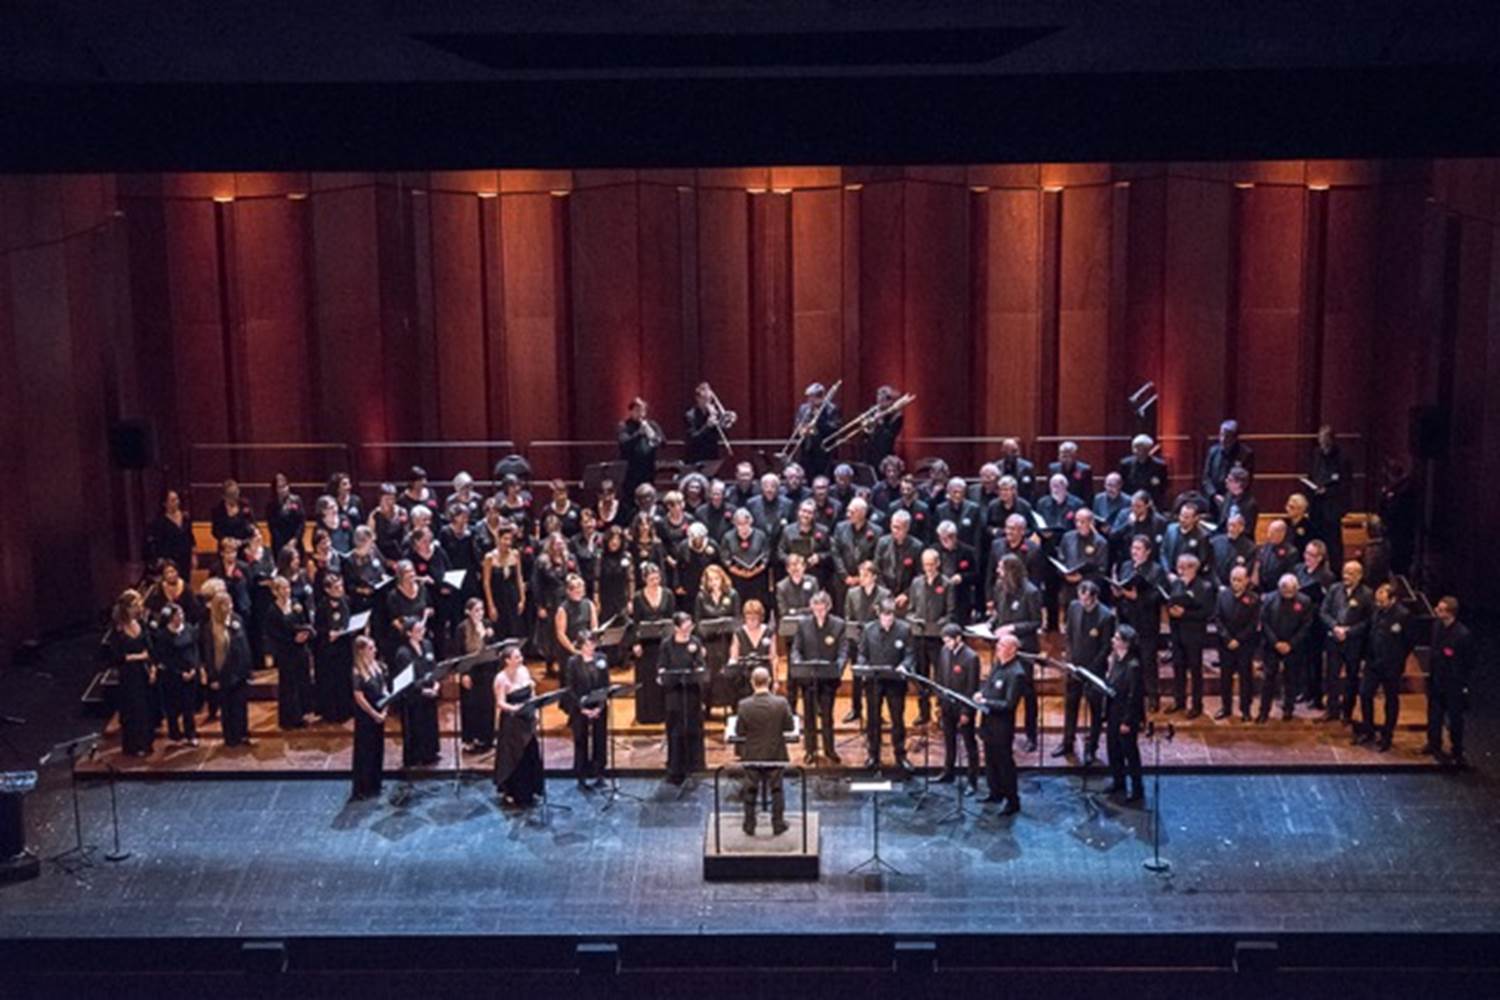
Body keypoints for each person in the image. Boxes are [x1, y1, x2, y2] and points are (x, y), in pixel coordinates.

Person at [1056, 580, 1115, 763]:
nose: (1083, 602)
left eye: (1087, 600)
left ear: (1095, 597)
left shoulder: (1106, 616)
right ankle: (1067, 742)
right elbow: (1069, 635)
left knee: (1095, 710)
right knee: (1070, 705)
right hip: (1075, 667)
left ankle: (1092, 747)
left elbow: (1106, 648)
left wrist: (1090, 669)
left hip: (1094, 670)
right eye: (1081, 598)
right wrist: (1070, 658)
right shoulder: (1074, 607)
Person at [734, 665, 796, 836]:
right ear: (769, 682)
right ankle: (777, 824)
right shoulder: (781, 703)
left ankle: (749, 824)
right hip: (775, 754)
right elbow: (789, 727)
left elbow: (740, 731)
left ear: (752, 682)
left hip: (752, 755)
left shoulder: (744, 705)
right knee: (777, 790)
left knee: (750, 789)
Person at [990, 553, 1043, 752]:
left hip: (1023, 648)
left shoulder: (1031, 592)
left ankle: (1031, 736)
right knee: (1001, 691)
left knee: (1027, 693)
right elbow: (999, 613)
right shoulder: (1000, 587)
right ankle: (1004, 733)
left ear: (1011, 570)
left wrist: (1012, 628)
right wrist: (991, 625)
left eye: (1001, 568)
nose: (998, 571)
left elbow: (1037, 622)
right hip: (1003, 648)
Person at [856, 597, 915, 773]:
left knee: (897, 719)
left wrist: (904, 666)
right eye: (885, 616)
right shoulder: (868, 629)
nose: (888, 620)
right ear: (878, 614)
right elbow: (862, 654)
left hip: (895, 682)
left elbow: (910, 654)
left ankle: (900, 755)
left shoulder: (904, 629)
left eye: (891, 616)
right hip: (874, 682)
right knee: (873, 720)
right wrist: (864, 666)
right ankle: (873, 755)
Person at [789, 589, 846, 766]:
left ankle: (829, 749)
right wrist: (798, 664)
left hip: (828, 679)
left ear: (828, 607)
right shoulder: (803, 624)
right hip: (809, 678)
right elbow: (796, 650)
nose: (819, 612)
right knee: (809, 716)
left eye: (822, 609)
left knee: (827, 716)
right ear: (811, 608)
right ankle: (810, 750)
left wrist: (838, 667)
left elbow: (843, 651)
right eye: (816, 608)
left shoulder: (838, 624)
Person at [1111, 534, 1166, 713]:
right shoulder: (1126, 566)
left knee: (1148, 661)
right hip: (1127, 620)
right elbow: (1121, 587)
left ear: (1148, 552)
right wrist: (1118, 594)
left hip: (1146, 622)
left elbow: (1157, 597)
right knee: (1126, 660)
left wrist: (1137, 597)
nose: (1134, 552)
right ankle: (1127, 695)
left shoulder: (1156, 570)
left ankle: (1152, 697)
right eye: (1133, 548)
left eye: (1138, 549)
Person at [1356, 583, 1412, 751]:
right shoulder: (1376, 612)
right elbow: (1370, 634)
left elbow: (1408, 642)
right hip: (1373, 663)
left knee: (1391, 700)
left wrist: (1396, 660)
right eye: (1377, 601)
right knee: (1365, 694)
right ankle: (1368, 730)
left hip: (1391, 666)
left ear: (1393, 599)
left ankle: (1387, 735)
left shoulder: (1403, 615)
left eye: (1382, 601)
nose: (1378, 604)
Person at [1320, 560, 1374, 724]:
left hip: (1353, 643)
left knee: (1351, 677)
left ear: (1359, 575)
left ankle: (1347, 712)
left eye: (1350, 573)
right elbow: (1324, 612)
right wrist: (1335, 626)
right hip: (1334, 639)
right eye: (1344, 572)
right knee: (1332, 676)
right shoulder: (1334, 589)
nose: (1346, 576)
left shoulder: (1367, 594)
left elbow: (1368, 621)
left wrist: (1349, 631)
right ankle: (1332, 709)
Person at [903, 548, 953, 726]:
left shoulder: (946, 584)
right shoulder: (916, 583)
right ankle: (923, 712)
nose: (929, 568)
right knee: (921, 675)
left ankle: (941, 713)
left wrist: (938, 624)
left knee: (940, 676)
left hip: (937, 638)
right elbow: (909, 611)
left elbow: (950, 613)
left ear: (938, 564)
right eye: (926, 565)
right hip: (919, 636)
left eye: (932, 564)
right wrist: (914, 620)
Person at [976, 634, 1024, 813]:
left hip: (1002, 727)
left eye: (1002, 645)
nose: (997, 647)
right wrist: (982, 694)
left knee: (1004, 763)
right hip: (989, 722)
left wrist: (985, 701)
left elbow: (1010, 704)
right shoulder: (998, 665)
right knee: (990, 760)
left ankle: (1012, 800)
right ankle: (995, 792)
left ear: (1012, 650)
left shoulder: (1016, 673)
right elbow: (989, 687)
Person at [657, 611, 707, 785]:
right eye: (685, 627)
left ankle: (695, 765)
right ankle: (675, 768)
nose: (688, 630)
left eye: (690, 626)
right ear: (676, 627)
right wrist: (664, 674)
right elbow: (661, 667)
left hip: (691, 693)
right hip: (674, 694)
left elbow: (701, 665)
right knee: (675, 730)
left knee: (694, 727)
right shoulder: (667, 645)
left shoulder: (695, 642)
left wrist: (698, 668)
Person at [105, 591, 156, 757]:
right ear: (126, 608)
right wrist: (137, 656)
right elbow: (116, 656)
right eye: (135, 605)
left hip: (143, 671)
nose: (139, 608)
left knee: (146, 708)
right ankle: (134, 745)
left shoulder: (141, 623)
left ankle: (146, 743)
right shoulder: (118, 630)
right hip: (128, 676)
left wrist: (151, 665)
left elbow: (149, 648)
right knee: (133, 709)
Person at [1424, 596, 1473, 766]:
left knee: (1455, 718)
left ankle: (1457, 750)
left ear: (1450, 613)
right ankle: (1433, 743)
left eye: (1441, 609)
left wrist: (1463, 685)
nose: (1437, 611)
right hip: (1437, 679)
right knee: (1434, 715)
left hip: (1453, 683)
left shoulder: (1462, 634)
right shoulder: (1437, 626)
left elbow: (1467, 662)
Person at [493, 642, 544, 806]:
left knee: (530, 753)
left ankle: (532, 788)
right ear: (507, 660)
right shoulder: (501, 678)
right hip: (512, 722)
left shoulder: (524, 671)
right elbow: (500, 703)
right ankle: (515, 792)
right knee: (514, 758)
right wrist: (515, 708)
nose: (520, 659)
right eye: (516, 657)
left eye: (520, 656)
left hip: (527, 719)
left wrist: (534, 710)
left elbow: (531, 691)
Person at [1165, 553, 1215, 717]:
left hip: (1194, 635)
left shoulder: (1205, 587)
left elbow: (1206, 613)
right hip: (1178, 633)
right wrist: (1171, 610)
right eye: (1179, 567)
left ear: (1194, 568)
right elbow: (1171, 601)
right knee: (1178, 668)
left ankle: (1196, 705)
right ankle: (1179, 701)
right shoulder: (1177, 584)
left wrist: (1184, 613)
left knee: (1195, 670)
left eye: (1184, 567)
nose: (1180, 571)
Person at [1258, 574, 1312, 723]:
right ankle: (1263, 711)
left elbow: (1306, 626)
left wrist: (1291, 644)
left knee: (1291, 679)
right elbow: (1264, 622)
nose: (1287, 593)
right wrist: (1275, 642)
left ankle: (1288, 708)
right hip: (1272, 645)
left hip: (1293, 647)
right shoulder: (1269, 599)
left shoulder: (1304, 601)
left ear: (1296, 588)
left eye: (1291, 590)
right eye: (1284, 590)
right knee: (1268, 679)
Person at [627, 562, 676, 725]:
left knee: (662, 675)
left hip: (663, 642)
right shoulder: (638, 597)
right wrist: (635, 643)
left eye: (657, 578)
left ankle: (663, 714)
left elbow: (671, 618)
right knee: (646, 678)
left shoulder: (668, 594)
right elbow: (635, 622)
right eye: (652, 579)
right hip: (646, 645)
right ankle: (646, 715)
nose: (655, 582)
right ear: (645, 579)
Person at [935, 623, 981, 791]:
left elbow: (972, 687)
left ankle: (972, 780)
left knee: (969, 743)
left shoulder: (971, 657)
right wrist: (939, 702)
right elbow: (940, 677)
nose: (946, 644)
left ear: (958, 638)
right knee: (949, 740)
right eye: (944, 641)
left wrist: (966, 711)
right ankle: (948, 772)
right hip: (947, 705)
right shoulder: (944, 651)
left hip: (963, 707)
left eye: (948, 640)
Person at [1103, 624, 1145, 802]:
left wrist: (1127, 721)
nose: (1113, 640)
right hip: (1113, 711)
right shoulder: (1116, 660)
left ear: (1126, 643)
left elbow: (1134, 696)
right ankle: (1118, 781)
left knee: (1129, 752)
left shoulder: (1133, 665)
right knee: (1113, 749)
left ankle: (1137, 789)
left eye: (1117, 638)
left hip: (1126, 715)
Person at [205, 590, 253, 747]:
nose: (229, 607)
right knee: (228, 707)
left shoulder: (237, 620)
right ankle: (231, 737)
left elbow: (244, 645)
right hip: (223, 672)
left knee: (241, 705)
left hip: (239, 671)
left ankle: (243, 733)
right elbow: (210, 654)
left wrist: (248, 670)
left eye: (230, 603)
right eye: (225, 605)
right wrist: (212, 677)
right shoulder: (210, 628)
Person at [564, 630, 610, 790]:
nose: (591, 647)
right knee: (581, 739)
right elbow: (570, 688)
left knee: (600, 738)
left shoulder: (601, 659)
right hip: (580, 708)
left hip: (599, 705)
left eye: (593, 644)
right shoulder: (573, 662)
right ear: (580, 646)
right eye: (588, 644)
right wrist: (582, 708)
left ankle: (599, 772)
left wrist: (599, 706)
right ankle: (581, 774)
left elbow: (606, 684)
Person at [265, 576, 314, 729]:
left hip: (301, 650)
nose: (287, 591)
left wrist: (305, 634)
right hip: (286, 652)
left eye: (288, 588)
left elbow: (305, 621)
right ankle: (289, 718)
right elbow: (273, 634)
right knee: (289, 685)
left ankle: (302, 714)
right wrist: (293, 639)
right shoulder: (272, 611)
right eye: (283, 589)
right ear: (275, 592)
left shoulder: (296, 605)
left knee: (302, 681)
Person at [392, 616, 441, 768]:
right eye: (418, 630)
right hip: (413, 696)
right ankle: (415, 756)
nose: (422, 632)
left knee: (429, 723)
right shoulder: (403, 653)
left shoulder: (427, 644)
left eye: (423, 629)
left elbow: (433, 667)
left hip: (429, 691)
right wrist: (422, 690)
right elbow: (406, 680)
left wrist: (436, 684)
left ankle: (430, 753)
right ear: (408, 633)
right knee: (415, 726)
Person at [1213, 566, 1261, 721]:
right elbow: (1218, 618)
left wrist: (1238, 640)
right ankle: (1226, 707)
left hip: (1244, 645)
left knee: (1245, 678)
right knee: (1225, 678)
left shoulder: (1253, 599)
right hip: (1225, 644)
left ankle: (1245, 709)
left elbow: (1253, 624)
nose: (1235, 583)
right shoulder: (1222, 595)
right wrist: (1227, 638)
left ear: (1247, 580)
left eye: (1239, 580)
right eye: (1233, 579)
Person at [152, 602, 202, 746]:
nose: (181, 617)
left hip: (190, 674)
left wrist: (194, 668)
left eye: (181, 614)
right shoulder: (163, 636)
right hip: (172, 677)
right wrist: (179, 673)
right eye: (177, 615)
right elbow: (164, 659)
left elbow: (195, 650)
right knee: (172, 707)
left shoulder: (189, 629)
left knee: (189, 707)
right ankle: (174, 734)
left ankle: (190, 734)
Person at [695, 564, 740, 715]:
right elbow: (698, 621)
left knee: (728, 673)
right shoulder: (701, 597)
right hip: (709, 642)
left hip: (727, 640)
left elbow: (737, 619)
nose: (714, 582)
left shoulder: (732, 594)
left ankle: (733, 704)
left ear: (722, 578)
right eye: (710, 580)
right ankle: (707, 706)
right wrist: (701, 644)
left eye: (716, 579)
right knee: (710, 675)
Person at [350, 635, 388, 800]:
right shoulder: (357, 671)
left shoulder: (377, 666)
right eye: (371, 648)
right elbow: (359, 698)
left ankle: (375, 783)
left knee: (377, 748)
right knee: (365, 751)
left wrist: (385, 710)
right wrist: (374, 714)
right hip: (366, 717)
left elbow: (384, 688)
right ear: (361, 651)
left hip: (379, 712)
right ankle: (363, 788)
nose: (375, 651)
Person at [456, 598, 497, 752]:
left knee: (487, 704)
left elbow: (494, 649)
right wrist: (463, 674)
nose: (480, 613)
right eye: (476, 610)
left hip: (486, 670)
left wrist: (489, 636)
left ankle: (487, 738)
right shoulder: (462, 628)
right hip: (470, 671)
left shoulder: (487, 625)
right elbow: (459, 653)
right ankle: (470, 738)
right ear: (468, 612)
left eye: (481, 610)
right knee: (471, 705)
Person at [1308, 425, 1350, 567]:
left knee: (1333, 544)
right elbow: (1312, 474)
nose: (1323, 444)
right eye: (1321, 440)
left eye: (1326, 441)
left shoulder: (1342, 458)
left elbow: (1345, 485)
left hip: (1332, 507)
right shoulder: (1315, 454)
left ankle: (1335, 571)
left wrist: (1327, 491)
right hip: (1316, 506)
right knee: (1315, 539)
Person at [481, 522, 527, 641]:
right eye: (505, 539)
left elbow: (519, 577)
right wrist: (491, 605)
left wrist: (522, 599)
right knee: (500, 629)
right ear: (498, 539)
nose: (507, 542)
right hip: (497, 597)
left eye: (510, 539)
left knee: (515, 628)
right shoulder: (489, 557)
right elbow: (486, 583)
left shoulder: (515, 554)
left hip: (512, 596)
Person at [790, 382, 843, 479]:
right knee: (807, 476)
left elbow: (834, 429)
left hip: (823, 452)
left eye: (812, 397)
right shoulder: (804, 408)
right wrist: (801, 430)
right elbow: (797, 424)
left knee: (822, 478)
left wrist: (818, 420)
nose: (809, 400)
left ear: (820, 397)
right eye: (808, 397)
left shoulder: (831, 409)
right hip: (806, 450)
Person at [1201, 419, 1255, 509]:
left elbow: (1245, 482)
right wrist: (1214, 495)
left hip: (1235, 501)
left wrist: (1228, 498)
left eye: (1227, 436)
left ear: (1235, 437)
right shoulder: (1213, 451)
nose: (1223, 439)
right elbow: (1206, 478)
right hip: (1213, 500)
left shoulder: (1246, 454)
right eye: (1221, 435)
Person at [145, 488, 196, 581]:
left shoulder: (185, 517)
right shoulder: (159, 522)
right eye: (172, 500)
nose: (176, 502)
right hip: (170, 559)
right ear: (165, 504)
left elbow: (190, 537)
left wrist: (193, 556)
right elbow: (158, 544)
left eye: (177, 499)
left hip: (185, 557)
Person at [617, 396, 662, 500]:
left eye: (643, 411)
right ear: (631, 411)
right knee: (630, 497)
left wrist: (653, 435)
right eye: (637, 410)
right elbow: (624, 444)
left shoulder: (652, 424)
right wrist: (639, 434)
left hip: (648, 468)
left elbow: (663, 441)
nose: (640, 414)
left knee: (648, 496)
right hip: (631, 470)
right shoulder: (624, 426)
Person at [684, 381, 729, 465]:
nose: (708, 402)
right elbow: (692, 439)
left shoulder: (714, 413)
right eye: (705, 399)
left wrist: (723, 423)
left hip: (712, 455)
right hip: (695, 457)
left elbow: (720, 435)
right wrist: (707, 426)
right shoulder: (690, 415)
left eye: (710, 399)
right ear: (698, 399)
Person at [1119, 435, 1169, 509]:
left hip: (1152, 503)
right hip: (1130, 502)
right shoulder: (1126, 464)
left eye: (1143, 449)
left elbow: (1163, 487)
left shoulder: (1159, 466)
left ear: (1149, 450)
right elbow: (1123, 485)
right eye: (1137, 448)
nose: (1140, 452)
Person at [266, 472, 307, 556]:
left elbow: (301, 522)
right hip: (279, 544)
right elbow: (273, 527)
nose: (283, 490)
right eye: (280, 487)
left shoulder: (296, 500)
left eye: (285, 486)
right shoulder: (271, 505)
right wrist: (284, 545)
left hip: (296, 542)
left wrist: (295, 539)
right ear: (275, 489)